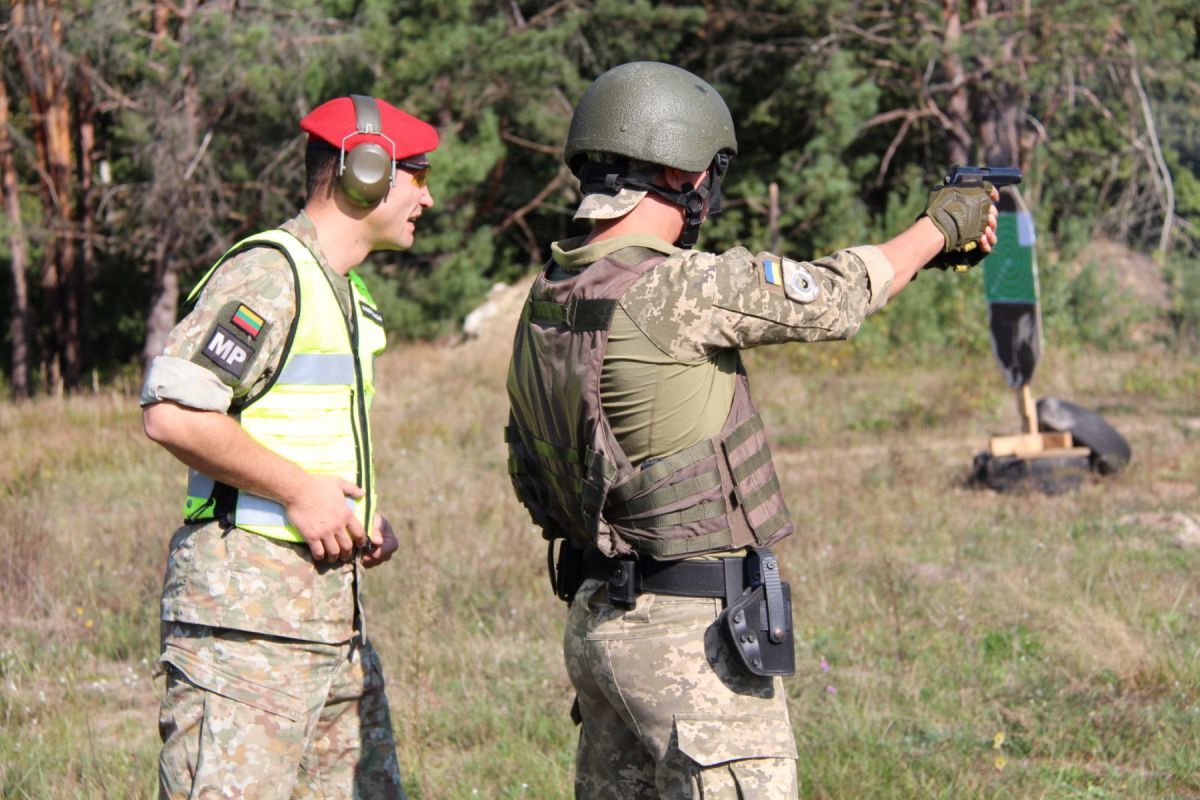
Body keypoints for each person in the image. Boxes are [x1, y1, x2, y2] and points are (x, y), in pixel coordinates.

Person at [504, 61, 998, 799]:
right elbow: (835, 298)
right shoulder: (679, 285)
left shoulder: (551, 293)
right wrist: (942, 225)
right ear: (681, 171)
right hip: (689, 644)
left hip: (600, 621)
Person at [141, 93, 438, 799]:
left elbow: (296, 427)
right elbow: (174, 412)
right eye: (417, 174)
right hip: (248, 631)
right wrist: (302, 493)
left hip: (327, 624)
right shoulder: (269, 275)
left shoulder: (344, 292)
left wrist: (351, 512)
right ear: (364, 170)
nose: (429, 195)